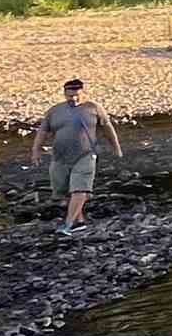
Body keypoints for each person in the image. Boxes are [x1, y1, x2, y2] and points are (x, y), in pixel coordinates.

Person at [28, 78, 122, 235]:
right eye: (70, 96)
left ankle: (68, 224)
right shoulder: (54, 111)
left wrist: (116, 147)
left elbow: (108, 128)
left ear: (83, 93)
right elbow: (43, 131)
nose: (74, 98)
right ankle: (79, 221)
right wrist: (35, 150)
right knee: (64, 191)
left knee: (79, 189)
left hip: (86, 155)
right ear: (64, 94)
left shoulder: (93, 108)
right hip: (60, 157)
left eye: (77, 95)